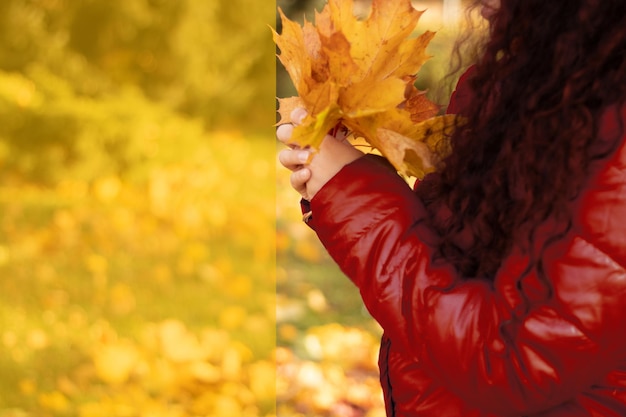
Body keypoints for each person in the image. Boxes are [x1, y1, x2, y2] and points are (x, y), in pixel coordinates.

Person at [277, 0, 626, 415]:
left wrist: (352, 193)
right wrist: (340, 187)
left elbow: (516, 362)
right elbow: (456, 266)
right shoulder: (536, 78)